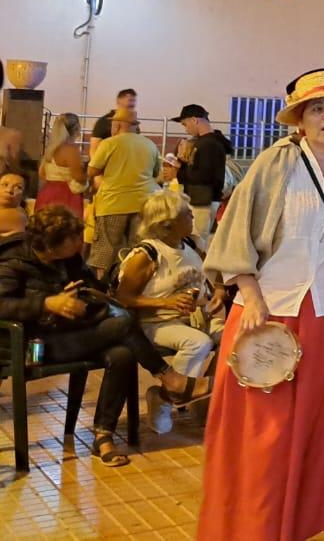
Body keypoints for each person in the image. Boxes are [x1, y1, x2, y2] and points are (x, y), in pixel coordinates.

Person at [197, 68, 324, 541]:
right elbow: (234, 233)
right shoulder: (275, 164)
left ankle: (303, 524)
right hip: (272, 312)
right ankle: (255, 527)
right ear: (301, 120)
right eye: (319, 109)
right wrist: (250, 294)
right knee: (265, 435)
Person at [0, 206, 196, 465]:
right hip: (30, 346)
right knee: (122, 323)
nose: (81, 244)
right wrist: (48, 303)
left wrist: (90, 290)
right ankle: (169, 377)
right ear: (50, 248)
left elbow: (96, 287)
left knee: (122, 354)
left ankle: (103, 436)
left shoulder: (69, 258)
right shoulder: (13, 260)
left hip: (69, 333)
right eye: (74, 240)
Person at [113, 189, 222, 433]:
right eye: (186, 213)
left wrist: (218, 292)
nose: (192, 214)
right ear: (167, 223)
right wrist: (166, 302)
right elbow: (123, 297)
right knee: (198, 342)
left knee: (234, 338)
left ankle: (204, 399)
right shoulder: (147, 253)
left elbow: (212, 274)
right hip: (156, 321)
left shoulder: (192, 243)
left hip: (196, 316)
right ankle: (166, 397)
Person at [86, 107, 161, 276]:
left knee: (105, 251)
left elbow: (92, 171)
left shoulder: (109, 143)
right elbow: (156, 173)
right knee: (138, 250)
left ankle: (102, 286)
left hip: (112, 204)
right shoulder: (150, 144)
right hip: (143, 204)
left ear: (117, 125)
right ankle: (132, 285)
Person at [171, 103, 234, 246]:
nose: (186, 129)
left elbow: (203, 177)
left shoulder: (208, 144)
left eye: (185, 124)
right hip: (202, 199)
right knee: (196, 239)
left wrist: (179, 172)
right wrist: (183, 165)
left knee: (197, 240)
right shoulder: (207, 142)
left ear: (194, 120)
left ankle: (199, 261)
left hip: (203, 200)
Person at [37, 113, 87, 217]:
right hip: (66, 195)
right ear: (76, 129)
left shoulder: (50, 150)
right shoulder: (71, 150)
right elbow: (78, 177)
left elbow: (42, 174)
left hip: (47, 193)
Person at [89, 88, 139, 159]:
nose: (133, 104)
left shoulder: (134, 123)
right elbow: (93, 150)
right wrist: (96, 165)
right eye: (130, 100)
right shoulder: (104, 122)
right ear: (119, 101)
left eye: (134, 101)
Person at [0, 172, 27, 236]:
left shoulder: (19, 216)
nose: (9, 190)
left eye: (18, 187)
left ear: (23, 195)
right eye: (5, 185)